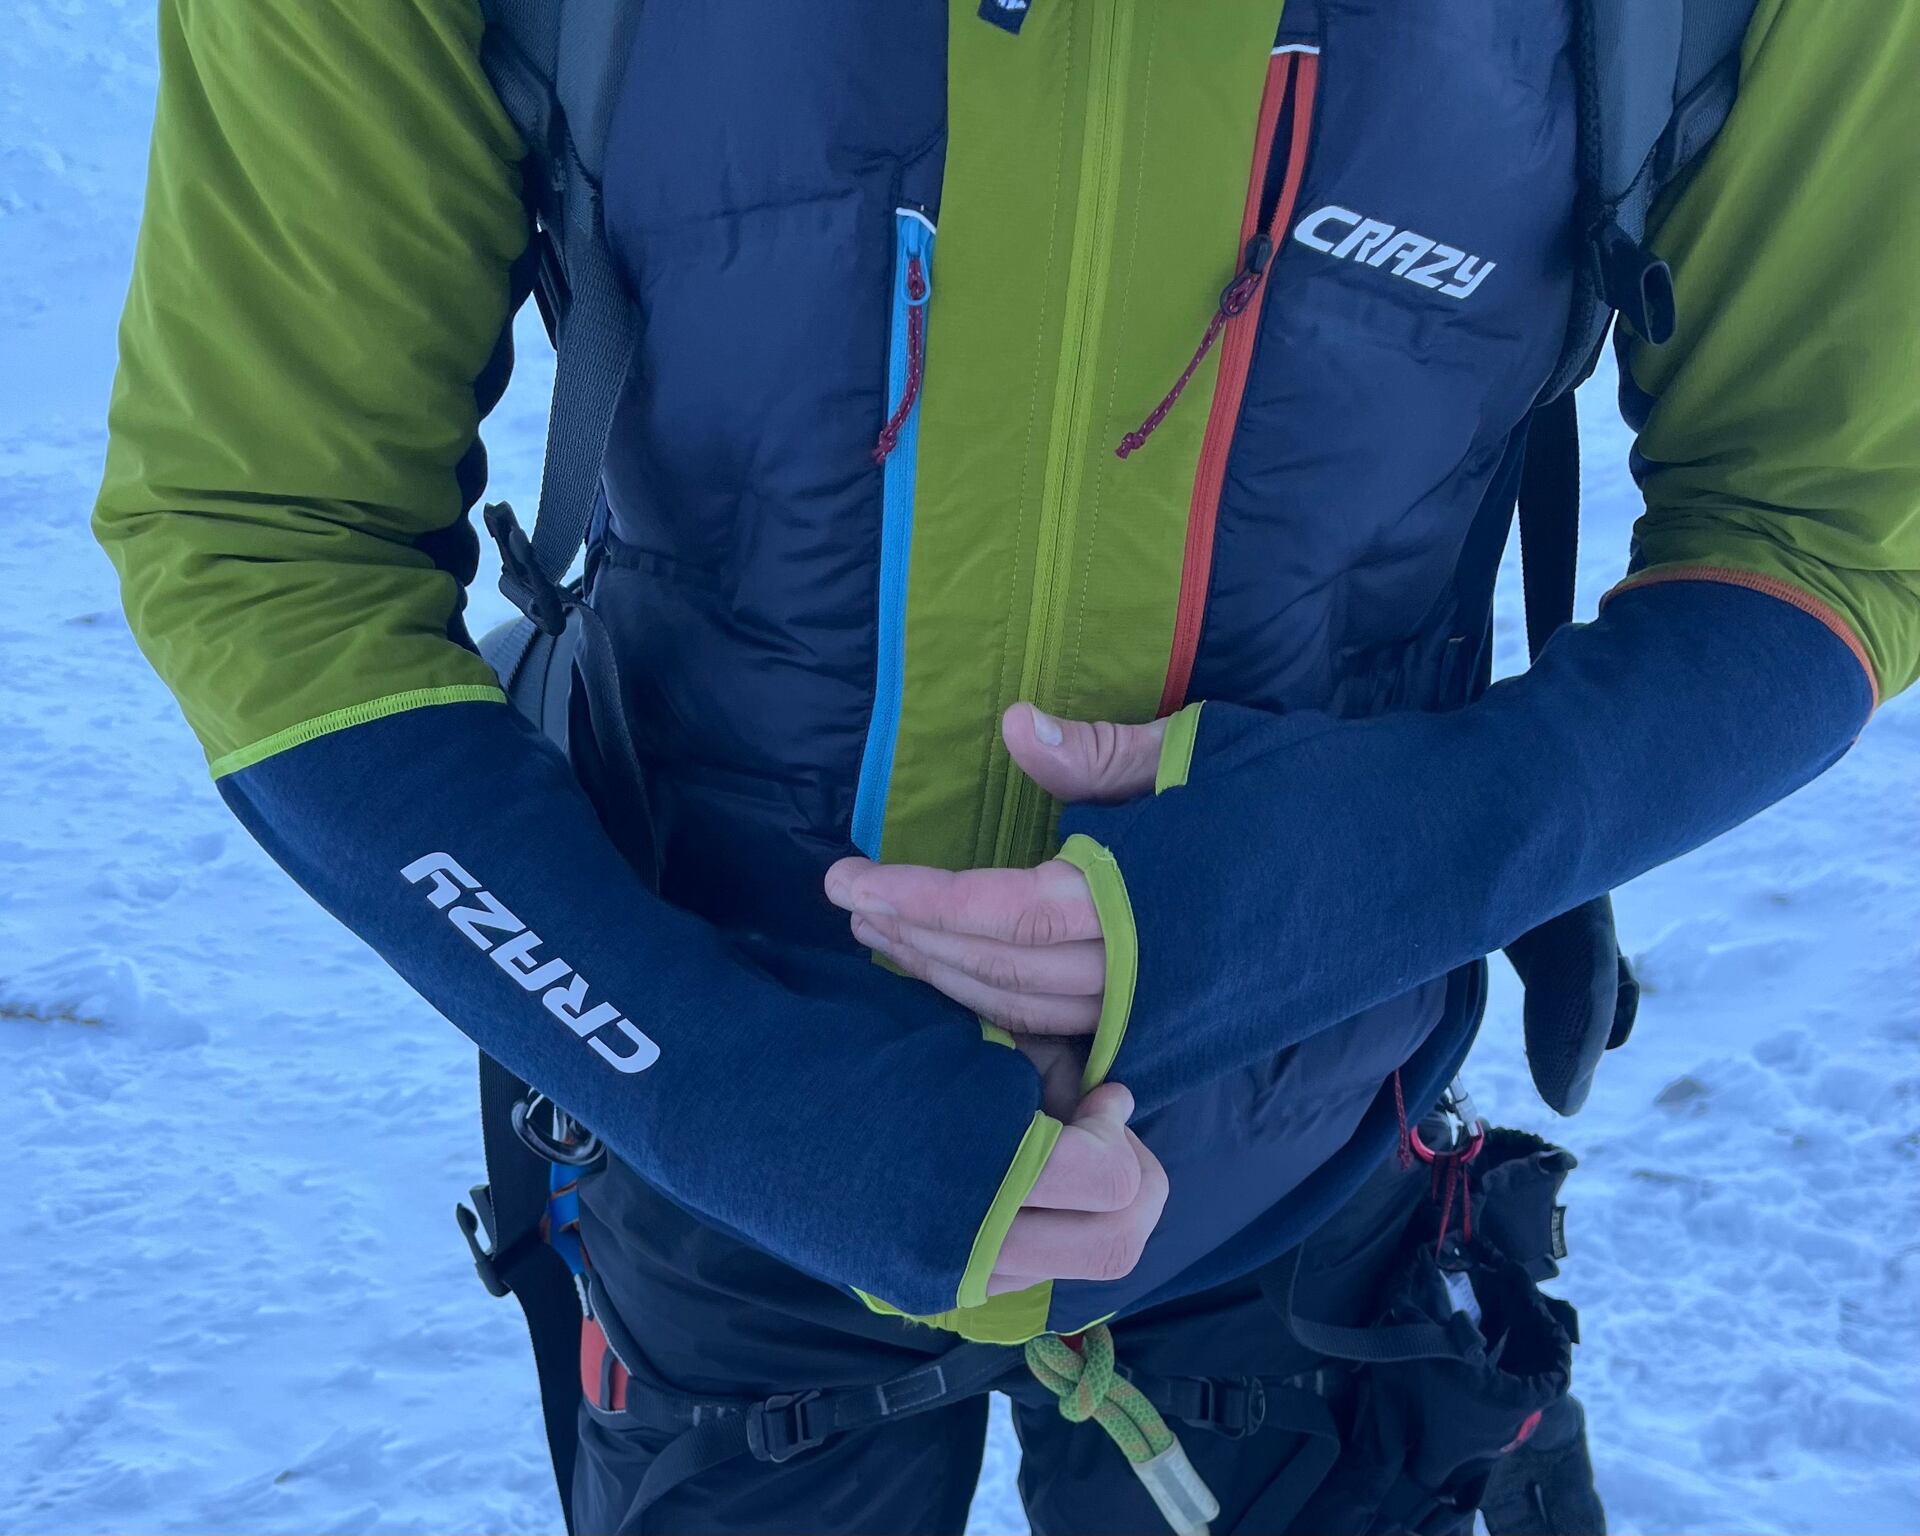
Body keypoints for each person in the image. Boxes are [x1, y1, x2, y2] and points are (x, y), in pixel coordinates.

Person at [94, 0, 1916, 1530]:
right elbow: (266, 532)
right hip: (698, 1106)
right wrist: (718, 1083)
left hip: (1316, 1146)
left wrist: (1351, 884)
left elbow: (1831, 527)